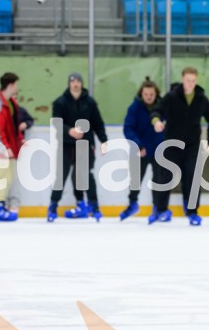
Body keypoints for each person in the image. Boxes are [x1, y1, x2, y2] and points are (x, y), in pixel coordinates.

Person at [151, 67, 209, 226]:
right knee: (165, 177)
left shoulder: (201, 98)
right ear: (182, 79)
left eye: (193, 80)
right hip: (172, 144)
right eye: (188, 80)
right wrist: (157, 121)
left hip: (191, 145)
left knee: (192, 177)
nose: (190, 83)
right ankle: (160, 210)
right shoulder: (172, 96)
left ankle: (192, 212)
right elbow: (156, 110)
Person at [47, 73, 108, 222]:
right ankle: (53, 206)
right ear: (69, 84)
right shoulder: (60, 102)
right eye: (73, 81)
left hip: (85, 144)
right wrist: (70, 131)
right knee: (61, 176)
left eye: (78, 81)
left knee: (85, 175)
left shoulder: (90, 102)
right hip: (66, 144)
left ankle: (92, 206)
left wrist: (103, 140)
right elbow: (56, 123)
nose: (76, 84)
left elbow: (98, 123)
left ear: (81, 83)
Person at [120, 77, 166, 221]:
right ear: (142, 93)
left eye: (151, 94)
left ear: (156, 94)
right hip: (141, 150)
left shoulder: (163, 107)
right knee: (135, 179)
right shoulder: (134, 107)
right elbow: (128, 128)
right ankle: (133, 203)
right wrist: (138, 145)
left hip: (159, 149)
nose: (149, 97)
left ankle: (157, 207)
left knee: (158, 180)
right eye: (146, 94)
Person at [0, 72, 23, 222]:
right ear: (11, 85)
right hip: (1, 149)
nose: (17, 87)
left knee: (8, 177)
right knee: (3, 177)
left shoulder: (11, 103)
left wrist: (20, 139)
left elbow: (13, 125)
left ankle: (1, 206)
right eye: (16, 84)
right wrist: (4, 148)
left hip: (10, 148)